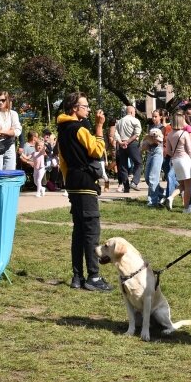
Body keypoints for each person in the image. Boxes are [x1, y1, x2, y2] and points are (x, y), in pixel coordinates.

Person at [56, 92, 111, 292]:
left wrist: (66, 180)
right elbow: (97, 151)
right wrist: (99, 127)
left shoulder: (62, 129)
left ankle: (77, 277)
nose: (87, 109)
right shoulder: (79, 128)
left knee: (79, 232)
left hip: (72, 181)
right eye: (85, 106)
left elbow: (62, 160)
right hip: (85, 183)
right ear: (74, 108)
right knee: (91, 231)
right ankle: (93, 277)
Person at [165, 111, 191, 214]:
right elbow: (190, 150)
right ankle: (186, 208)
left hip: (175, 161)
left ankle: (171, 197)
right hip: (185, 160)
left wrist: (174, 153)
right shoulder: (185, 134)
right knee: (188, 186)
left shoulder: (169, 135)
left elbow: (168, 151)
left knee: (182, 184)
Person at [114, 105, 142, 193]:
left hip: (122, 145)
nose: (135, 114)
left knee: (123, 166)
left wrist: (121, 142)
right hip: (132, 144)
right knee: (138, 163)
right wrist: (128, 141)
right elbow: (137, 133)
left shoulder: (119, 121)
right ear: (131, 112)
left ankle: (126, 187)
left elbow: (116, 133)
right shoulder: (135, 120)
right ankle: (134, 182)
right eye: (134, 112)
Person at [0, 91, 22, 171]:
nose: (0, 102)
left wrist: (1, 131)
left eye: (3, 100)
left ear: (7, 100)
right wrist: (10, 131)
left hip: (10, 144)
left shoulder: (13, 114)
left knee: (10, 171)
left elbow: (17, 131)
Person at [140, 127, 164, 207]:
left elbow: (160, 141)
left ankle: (152, 202)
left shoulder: (162, 127)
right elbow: (142, 147)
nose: (153, 118)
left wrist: (155, 138)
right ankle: (163, 193)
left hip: (158, 151)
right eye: (153, 116)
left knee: (153, 177)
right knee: (147, 178)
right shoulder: (150, 127)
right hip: (150, 152)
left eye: (155, 116)